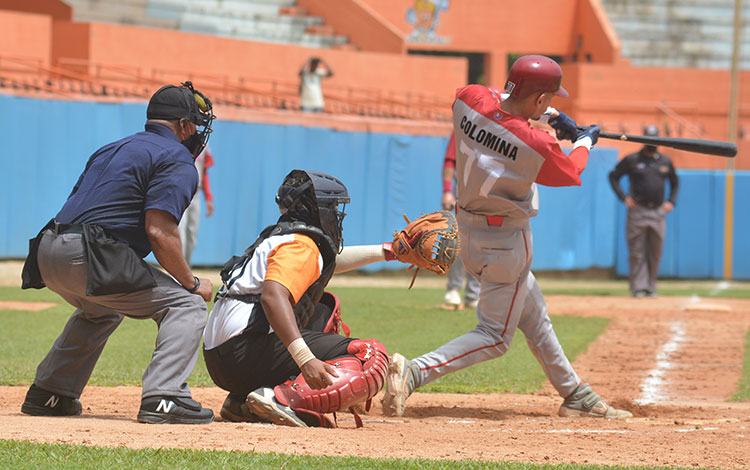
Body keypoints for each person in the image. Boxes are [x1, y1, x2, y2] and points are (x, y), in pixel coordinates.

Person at [382, 55, 632, 419]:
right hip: (505, 242)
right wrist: (584, 140)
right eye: (548, 99)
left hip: (468, 232)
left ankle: (576, 394)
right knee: (496, 336)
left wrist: (548, 116)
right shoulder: (535, 143)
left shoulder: (469, 99)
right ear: (540, 99)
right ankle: (416, 371)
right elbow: (572, 171)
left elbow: (498, 100)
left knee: (534, 314)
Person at [19, 81, 216, 424]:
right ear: (184, 126)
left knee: (101, 310)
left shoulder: (113, 147)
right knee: (186, 303)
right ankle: (165, 396)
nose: (197, 133)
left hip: (47, 249)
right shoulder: (178, 159)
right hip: (89, 254)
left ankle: (50, 393)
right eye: (196, 125)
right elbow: (160, 231)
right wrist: (191, 281)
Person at [203, 169, 399, 428]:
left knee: (321, 311)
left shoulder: (284, 237)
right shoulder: (301, 244)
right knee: (370, 355)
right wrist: (305, 359)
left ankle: (242, 401)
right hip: (243, 352)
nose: (336, 215)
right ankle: (281, 399)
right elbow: (273, 297)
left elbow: (325, 263)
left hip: (223, 358)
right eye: (331, 207)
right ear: (315, 209)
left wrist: (389, 251)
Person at [608, 125, 679, 298]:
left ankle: (651, 287)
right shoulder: (632, 159)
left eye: (655, 139)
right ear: (644, 139)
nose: (652, 143)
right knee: (637, 251)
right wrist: (624, 197)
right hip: (638, 210)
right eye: (649, 139)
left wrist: (671, 202)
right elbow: (613, 176)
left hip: (658, 211)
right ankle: (638, 287)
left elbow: (675, 182)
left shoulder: (665, 161)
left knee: (655, 251)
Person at [441, 132, 480, 310]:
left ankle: (474, 294)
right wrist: (447, 190)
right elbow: (450, 160)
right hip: (462, 193)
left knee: (479, 245)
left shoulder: (495, 128)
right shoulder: (463, 127)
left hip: (485, 194)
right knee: (458, 242)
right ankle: (454, 290)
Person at [178, 145, 215, 266]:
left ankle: (185, 268)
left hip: (195, 194)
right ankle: (177, 270)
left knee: (192, 234)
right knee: (180, 231)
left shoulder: (203, 143)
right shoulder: (180, 137)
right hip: (180, 190)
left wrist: (208, 198)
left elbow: (204, 172)